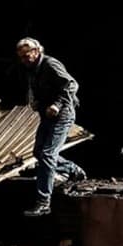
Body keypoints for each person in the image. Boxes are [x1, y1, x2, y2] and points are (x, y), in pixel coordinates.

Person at [16, 37, 84, 217]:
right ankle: (73, 169)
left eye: (26, 55)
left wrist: (57, 104)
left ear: (36, 51)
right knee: (38, 152)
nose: (24, 60)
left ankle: (43, 202)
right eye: (21, 57)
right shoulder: (32, 69)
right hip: (47, 116)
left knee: (47, 154)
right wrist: (38, 102)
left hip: (62, 114)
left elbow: (71, 84)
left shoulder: (50, 64)